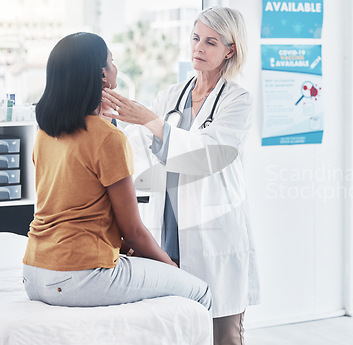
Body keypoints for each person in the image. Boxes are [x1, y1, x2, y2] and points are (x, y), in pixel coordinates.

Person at [22, 32, 212, 312]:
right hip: (78, 276)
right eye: (112, 61)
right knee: (200, 291)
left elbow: (75, 207)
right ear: (102, 75)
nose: (116, 68)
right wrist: (171, 267)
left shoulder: (46, 131)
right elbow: (133, 231)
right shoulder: (107, 137)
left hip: (34, 272)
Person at [102, 7, 259, 345]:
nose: (199, 48)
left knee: (224, 334)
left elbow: (208, 154)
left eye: (211, 42)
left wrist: (150, 120)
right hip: (167, 226)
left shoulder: (238, 101)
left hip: (212, 229)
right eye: (196, 38)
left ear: (230, 50)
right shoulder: (170, 96)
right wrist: (105, 122)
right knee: (176, 329)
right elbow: (136, 147)